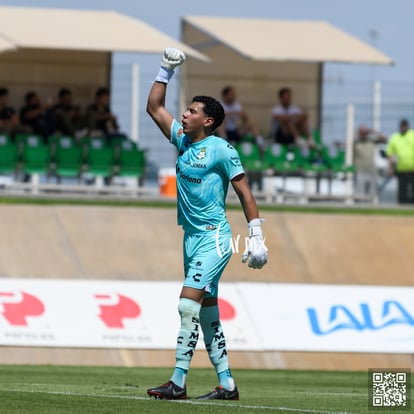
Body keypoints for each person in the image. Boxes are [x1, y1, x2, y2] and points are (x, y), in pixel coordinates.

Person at [146, 48, 268, 401]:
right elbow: (154, 107)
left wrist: (256, 236)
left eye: (192, 111)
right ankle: (227, 384)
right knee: (208, 313)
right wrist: (165, 70)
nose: (184, 114)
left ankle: (178, 382)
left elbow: (244, 191)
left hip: (216, 239)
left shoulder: (222, 150)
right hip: (191, 239)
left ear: (209, 121)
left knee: (187, 305)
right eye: (186, 110)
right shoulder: (182, 140)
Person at [353, 124, 387, 198]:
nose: (364, 135)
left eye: (365, 133)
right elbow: (347, 143)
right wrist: (357, 133)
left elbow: (385, 140)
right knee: (359, 195)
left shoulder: (372, 142)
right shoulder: (355, 144)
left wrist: (374, 132)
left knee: (373, 195)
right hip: (360, 172)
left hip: (372, 171)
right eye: (362, 133)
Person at [386, 119, 414, 204]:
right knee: (402, 189)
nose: (403, 128)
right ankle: (402, 205)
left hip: (413, 168)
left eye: (405, 126)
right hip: (401, 168)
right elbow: (390, 154)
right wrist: (390, 168)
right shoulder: (395, 137)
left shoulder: (412, 135)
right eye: (402, 126)